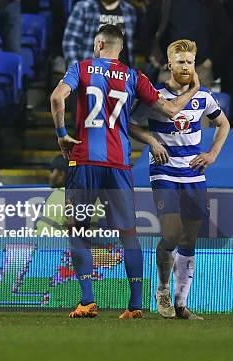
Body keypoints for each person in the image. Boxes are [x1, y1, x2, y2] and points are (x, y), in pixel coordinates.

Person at [50, 24, 201, 319]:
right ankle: (134, 306)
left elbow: (57, 98)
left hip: (84, 160)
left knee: (77, 228)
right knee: (128, 233)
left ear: (98, 44)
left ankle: (87, 300)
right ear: (120, 49)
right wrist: (194, 89)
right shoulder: (134, 76)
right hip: (119, 163)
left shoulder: (81, 68)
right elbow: (171, 111)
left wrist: (61, 134)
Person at [129, 39, 230, 320]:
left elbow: (224, 123)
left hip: (194, 174)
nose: (186, 67)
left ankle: (181, 304)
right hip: (164, 171)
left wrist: (211, 154)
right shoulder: (154, 96)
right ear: (169, 64)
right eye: (181, 62)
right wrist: (151, 140)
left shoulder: (205, 97)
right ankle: (162, 289)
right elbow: (130, 124)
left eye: (190, 62)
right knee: (172, 233)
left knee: (189, 239)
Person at [142, 0, 232, 86]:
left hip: (201, 70)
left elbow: (225, 30)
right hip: (169, 70)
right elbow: (146, 31)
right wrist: (153, 58)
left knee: (201, 105)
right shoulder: (161, 0)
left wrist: (211, 60)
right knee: (165, 105)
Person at [63, 0, 137, 68]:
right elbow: (70, 42)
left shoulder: (129, 11)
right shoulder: (83, 8)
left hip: (121, 75)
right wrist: (77, 73)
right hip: (92, 73)